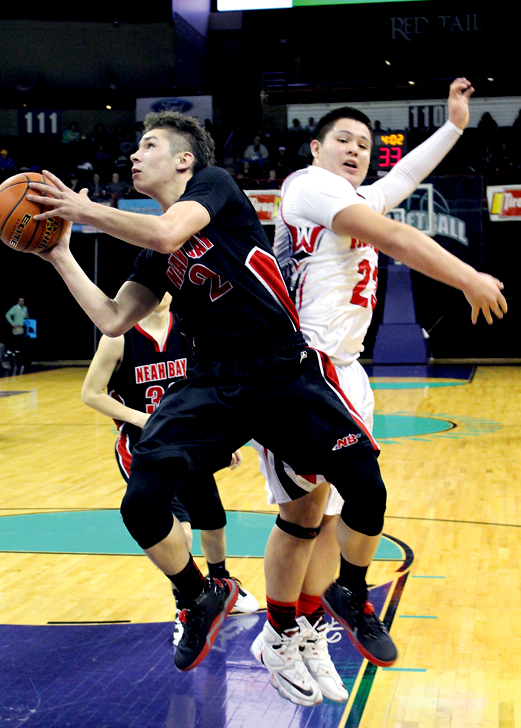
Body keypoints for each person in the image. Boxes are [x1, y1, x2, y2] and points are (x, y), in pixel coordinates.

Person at [26, 110, 505, 693]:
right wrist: (60, 255)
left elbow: (167, 231)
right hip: (213, 382)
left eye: (146, 144)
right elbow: (110, 317)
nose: (133, 155)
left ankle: (348, 590)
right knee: (141, 505)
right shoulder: (154, 246)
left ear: (183, 159)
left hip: (281, 368)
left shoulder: (215, 187)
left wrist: (84, 209)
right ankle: (198, 595)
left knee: (365, 485)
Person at [249, 78, 508, 703]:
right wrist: (467, 274)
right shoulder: (307, 187)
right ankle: (279, 631)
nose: (356, 149)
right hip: (301, 369)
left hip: (348, 369)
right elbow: (394, 236)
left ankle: (309, 627)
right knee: (305, 512)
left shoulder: (356, 194)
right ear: (316, 148)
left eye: (365, 144)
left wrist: (452, 126)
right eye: (343, 139)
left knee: (329, 511)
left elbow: (405, 177)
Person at [81, 293, 259, 645]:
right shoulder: (119, 336)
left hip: (189, 440)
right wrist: (143, 419)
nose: (160, 292)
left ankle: (222, 586)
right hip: (145, 449)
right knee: (181, 532)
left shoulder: (190, 328)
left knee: (212, 520)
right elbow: (91, 393)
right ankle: (188, 604)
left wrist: (223, 437)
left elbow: (210, 383)